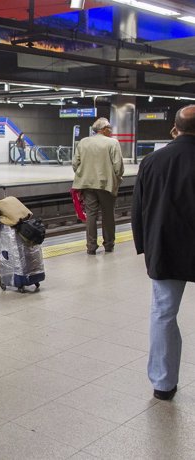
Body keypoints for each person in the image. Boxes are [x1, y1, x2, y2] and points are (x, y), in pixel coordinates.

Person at [132, 105, 195, 401]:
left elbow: (138, 210)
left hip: (166, 248)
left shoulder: (152, 161)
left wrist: (145, 246)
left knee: (163, 314)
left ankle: (163, 383)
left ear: (174, 129)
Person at [71, 117, 124, 255]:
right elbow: (118, 167)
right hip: (106, 185)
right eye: (110, 129)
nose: (111, 131)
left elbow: (75, 164)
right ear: (104, 129)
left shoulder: (83, 142)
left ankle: (91, 246)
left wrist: (84, 174)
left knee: (91, 215)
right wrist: (117, 178)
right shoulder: (112, 143)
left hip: (87, 184)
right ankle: (108, 245)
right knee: (108, 216)